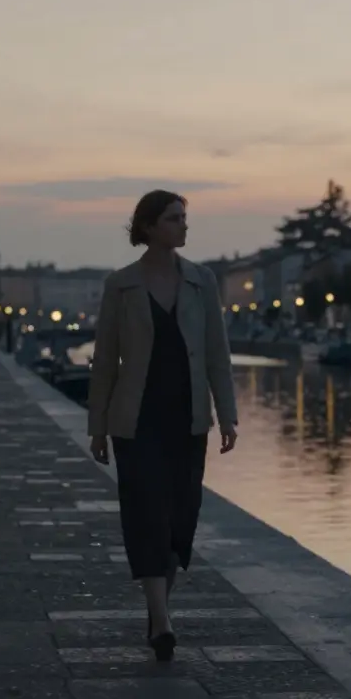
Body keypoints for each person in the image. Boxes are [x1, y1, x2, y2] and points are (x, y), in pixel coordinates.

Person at [87, 189, 238, 662]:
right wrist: (97, 426)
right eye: (174, 219)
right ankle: (163, 622)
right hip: (136, 420)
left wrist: (227, 413)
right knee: (146, 514)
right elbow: (104, 360)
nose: (184, 226)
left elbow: (217, 352)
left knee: (178, 521)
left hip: (189, 418)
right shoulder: (121, 285)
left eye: (184, 218)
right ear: (149, 226)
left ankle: (157, 612)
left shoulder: (202, 281)